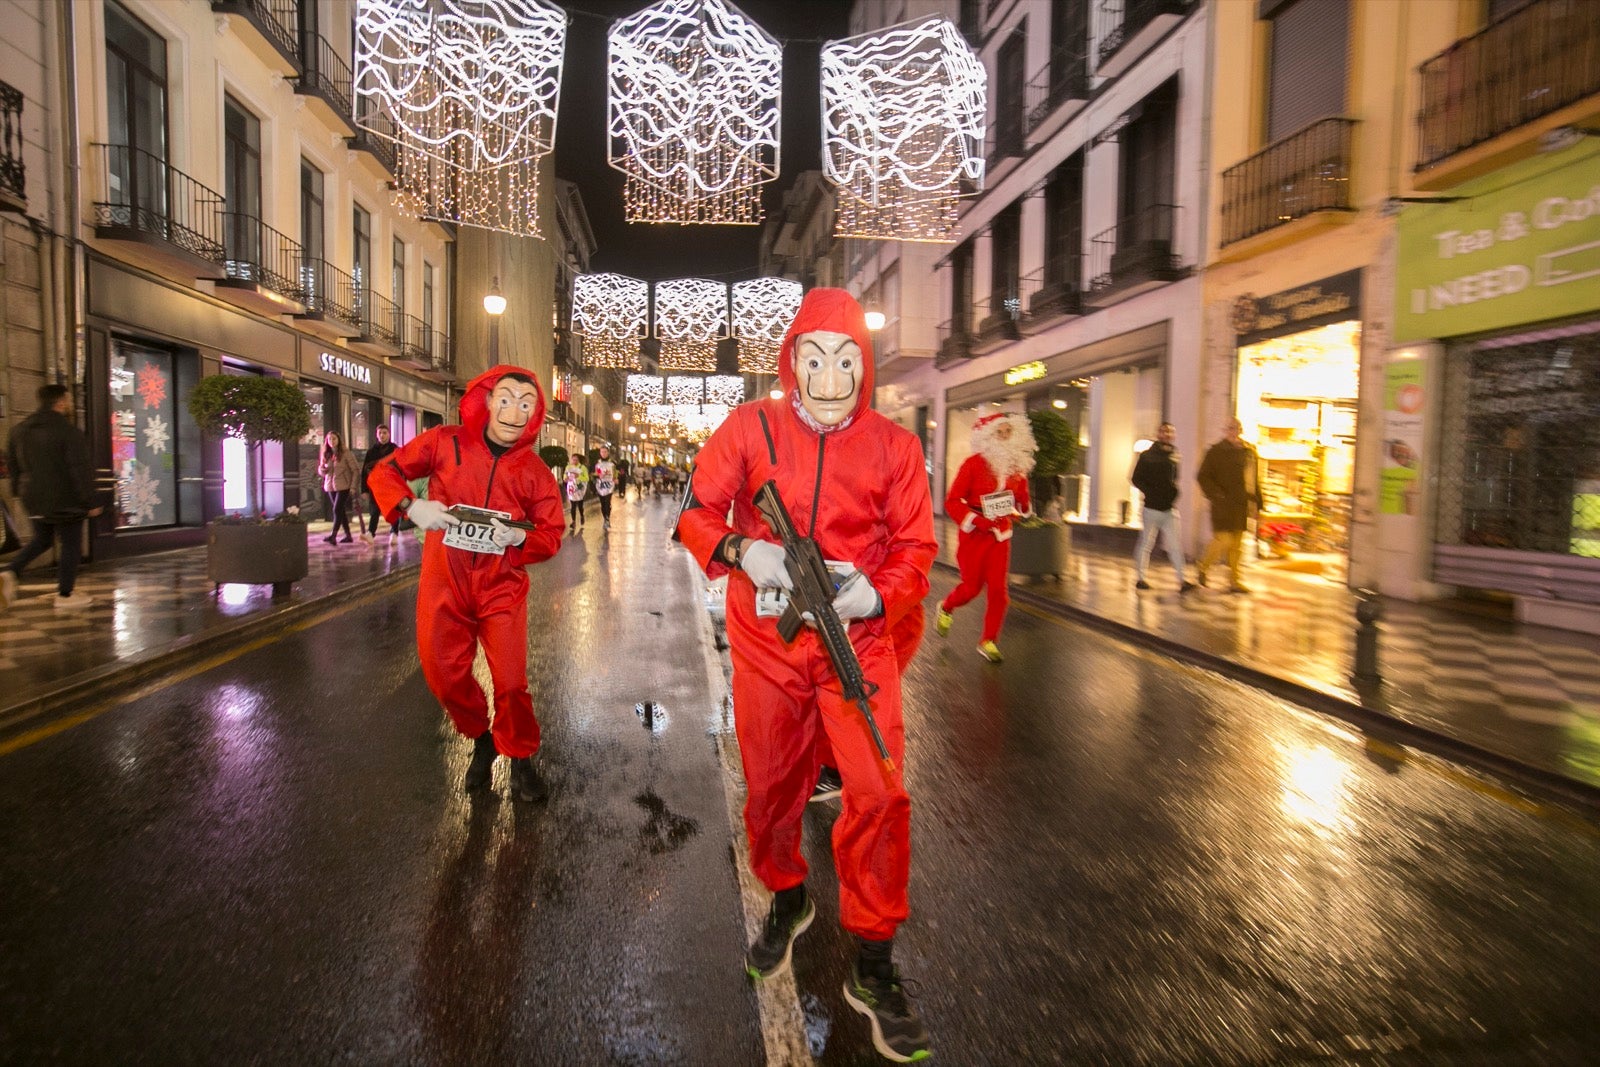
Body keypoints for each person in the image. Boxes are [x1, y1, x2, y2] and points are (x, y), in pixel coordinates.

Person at [676, 288, 936, 1063]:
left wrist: (877, 591)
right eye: (814, 356)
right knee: (772, 785)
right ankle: (788, 897)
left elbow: (917, 550)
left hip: (858, 644)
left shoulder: (896, 447)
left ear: (866, 364)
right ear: (791, 361)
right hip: (766, 644)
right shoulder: (749, 426)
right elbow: (696, 508)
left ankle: (875, 958)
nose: (830, 375)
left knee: (881, 789)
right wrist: (739, 551)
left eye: (847, 357)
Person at [367, 367, 566, 803]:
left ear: (535, 414)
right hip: (444, 582)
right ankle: (481, 737)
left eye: (527, 403)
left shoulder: (534, 471)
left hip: (502, 587)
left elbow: (552, 534)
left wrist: (520, 538)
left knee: (511, 683)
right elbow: (385, 471)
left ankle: (520, 757)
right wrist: (411, 506)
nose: (516, 410)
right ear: (489, 400)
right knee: (443, 676)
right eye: (508, 399)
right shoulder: (445, 442)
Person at [935, 412, 1035, 664]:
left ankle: (989, 640)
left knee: (999, 591)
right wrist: (976, 520)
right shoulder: (973, 464)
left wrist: (1023, 506)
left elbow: (1021, 506)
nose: (1003, 437)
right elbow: (952, 501)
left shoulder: (1017, 469)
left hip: (1001, 535)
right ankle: (946, 606)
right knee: (971, 587)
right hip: (974, 535)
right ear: (987, 436)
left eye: (1007, 432)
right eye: (998, 433)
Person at [1, 384, 102, 611]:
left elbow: (13, 465)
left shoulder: (19, 430)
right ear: (61, 402)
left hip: (32, 498)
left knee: (42, 539)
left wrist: (20, 491)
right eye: (67, 399)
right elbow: (79, 470)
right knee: (71, 544)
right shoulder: (69, 432)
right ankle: (65, 595)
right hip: (65, 498)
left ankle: (9, 571)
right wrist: (91, 501)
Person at [1195, 416, 1263, 594]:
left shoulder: (1249, 451)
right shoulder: (1216, 451)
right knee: (1223, 540)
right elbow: (1203, 476)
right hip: (1222, 505)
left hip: (1241, 505)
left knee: (1236, 546)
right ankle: (1203, 567)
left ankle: (1235, 581)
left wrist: (1259, 503)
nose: (1233, 431)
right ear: (1225, 431)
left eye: (1236, 428)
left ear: (1240, 430)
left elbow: (1254, 479)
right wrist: (1216, 495)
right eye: (1230, 428)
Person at [1130, 422, 1195, 594]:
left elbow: (1175, 477)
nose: (1167, 434)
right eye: (1164, 431)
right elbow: (1136, 478)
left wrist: (1173, 492)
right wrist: (1150, 492)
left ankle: (1182, 580)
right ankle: (1141, 578)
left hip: (1169, 509)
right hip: (1151, 507)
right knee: (1146, 543)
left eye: (1170, 432)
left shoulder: (1175, 454)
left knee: (1175, 546)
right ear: (1158, 434)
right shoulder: (1147, 456)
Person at [318, 431, 360, 544]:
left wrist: (353, 486)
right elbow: (321, 470)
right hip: (330, 486)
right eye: (330, 439)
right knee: (340, 511)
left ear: (339, 440)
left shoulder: (346, 453)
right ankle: (348, 536)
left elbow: (355, 470)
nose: (332, 441)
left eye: (334, 439)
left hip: (344, 486)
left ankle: (333, 535)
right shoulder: (326, 453)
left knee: (336, 509)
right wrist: (322, 470)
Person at [361, 424, 400, 539]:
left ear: (389, 434)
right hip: (376, 486)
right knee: (374, 510)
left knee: (393, 509)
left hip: (391, 485)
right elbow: (364, 471)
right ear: (376, 435)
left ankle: (394, 532)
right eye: (380, 433)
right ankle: (371, 533)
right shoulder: (371, 452)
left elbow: (401, 467)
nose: (382, 435)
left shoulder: (395, 449)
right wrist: (364, 489)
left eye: (384, 433)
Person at [592, 445, 617, 531]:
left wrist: (616, 478)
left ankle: (607, 518)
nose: (603, 454)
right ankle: (605, 518)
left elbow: (615, 472)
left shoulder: (612, 463)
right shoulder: (597, 463)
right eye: (602, 452)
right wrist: (599, 475)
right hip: (600, 485)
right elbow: (595, 473)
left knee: (607, 502)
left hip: (609, 485)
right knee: (603, 503)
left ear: (608, 453)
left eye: (605, 452)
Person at [562, 454, 590, 531]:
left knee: (580, 505)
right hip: (571, 488)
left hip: (579, 489)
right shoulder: (568, 467)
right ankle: (573, 522)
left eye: (576, 460)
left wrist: (578, 476)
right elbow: (565, 475)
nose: (574, 461)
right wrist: (565, 478)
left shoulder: (582, 468)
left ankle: (581, 515)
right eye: (573, 459)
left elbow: (586, 478)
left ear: (579, 460)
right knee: (573, 505)